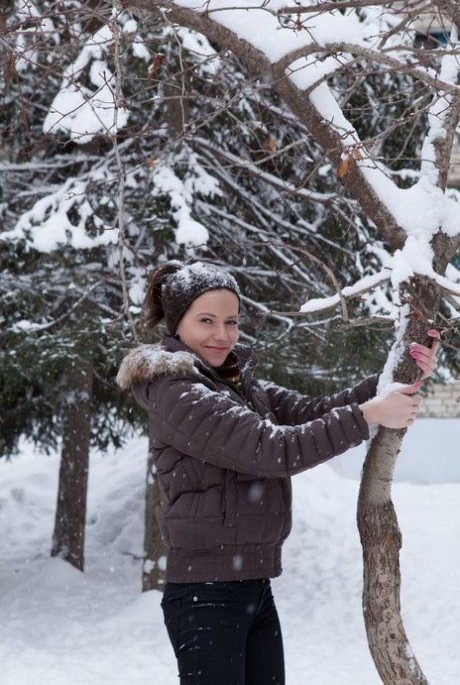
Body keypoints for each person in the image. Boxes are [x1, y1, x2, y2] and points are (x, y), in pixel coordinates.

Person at [116, 259, 439, 685]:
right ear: (177, 325)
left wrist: (397, 375)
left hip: (253, 586)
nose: (222, 335)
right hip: (205, 595)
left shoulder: (236, 385)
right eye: (206, 321)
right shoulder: (177, 392)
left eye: (231, 321)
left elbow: (315, 412)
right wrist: (370, 414)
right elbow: (272, 449)